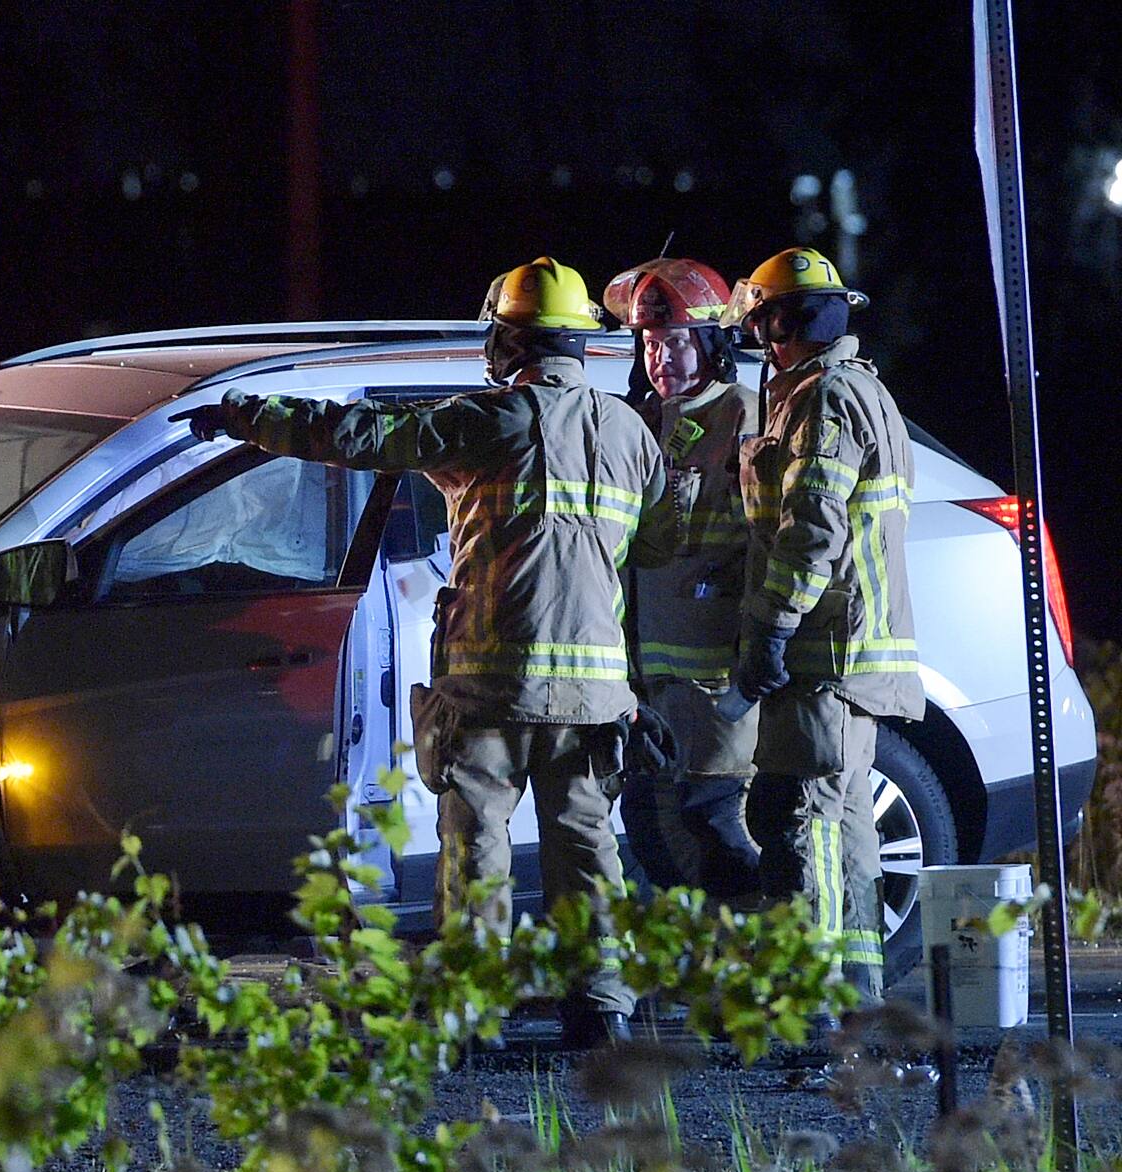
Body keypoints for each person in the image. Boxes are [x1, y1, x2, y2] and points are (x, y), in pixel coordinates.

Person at [188, 257, 671, 1046]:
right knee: (586, 847)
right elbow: (659, 548)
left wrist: (247, 416)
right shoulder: (629, 432)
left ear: (510, 341)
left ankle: (472, 1010)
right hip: (592, 700)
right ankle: (602, 1010)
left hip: (492, 688)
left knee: (477, 846)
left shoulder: (483, 421)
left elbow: (356, 435)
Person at [723, 246, 923, 1007]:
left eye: (761, 325)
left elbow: (812, 528)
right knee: (843, 824)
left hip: (824, 654)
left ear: (781, 324)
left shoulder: (825, 399)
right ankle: (856, 992)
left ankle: (813, 1004)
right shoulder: (860, 388)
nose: (758, 342)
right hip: (849, 652)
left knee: (800, 817)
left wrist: (771, 628)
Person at [602, 259, 764, 900]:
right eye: (649, 343)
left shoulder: (742, 417)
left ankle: (749, 945)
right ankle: (693, 953)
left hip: (714, 676)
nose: (660, 358)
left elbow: (767, 541)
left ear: (711, 344)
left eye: (675, 343)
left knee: (716, 820)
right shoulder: (639, 421)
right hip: (645, 676)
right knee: (649, 822)